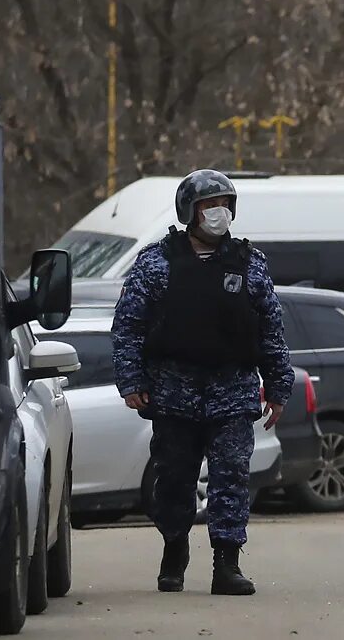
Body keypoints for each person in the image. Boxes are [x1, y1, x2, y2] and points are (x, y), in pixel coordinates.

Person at [112, 169, 294, 596]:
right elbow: (128, 327)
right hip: (173, 392)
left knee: (231, 475)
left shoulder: (250, 264)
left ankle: (226, 564)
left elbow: (271, 329)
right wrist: (131, 380)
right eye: (208, 206)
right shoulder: (157, 263)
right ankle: (174, 549)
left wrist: (279, 387)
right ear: (189, 212)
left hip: (232, 390)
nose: (218, 214)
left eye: (224, 205)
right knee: (174, 478)